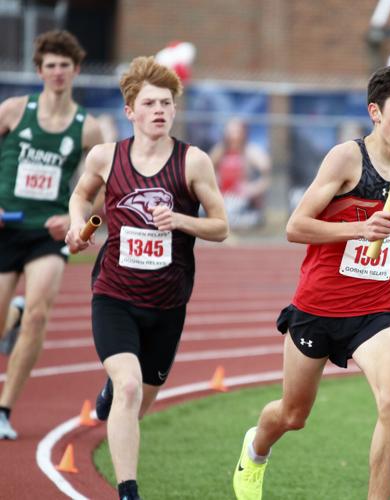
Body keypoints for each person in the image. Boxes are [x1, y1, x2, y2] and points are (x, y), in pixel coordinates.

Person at [233, 63, 390, 500]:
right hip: (318, 307)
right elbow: (295, 227)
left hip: (373, 311)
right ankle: (255, 449)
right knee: (294, 414)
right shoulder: (347, 158)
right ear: (375, 111)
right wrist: (360, 229)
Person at [65, 56, 228, 500]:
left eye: (167, 103)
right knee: (131, 386)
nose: (160, 110)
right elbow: (80, 197)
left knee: (137, 400)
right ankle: (129, 491)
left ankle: (112, 388)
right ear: (130, 110)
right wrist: (76, 224)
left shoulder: (192, 162)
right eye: (150, 103)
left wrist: (179, 220)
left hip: (168, 303)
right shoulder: (106, 156)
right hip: (114, 295)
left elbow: (220, 226)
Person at [0, 30, 103, 440]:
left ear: (76, 71)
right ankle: (14, 313)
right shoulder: (11, 111)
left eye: (65, 66)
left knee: (40, 313)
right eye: (51, 66)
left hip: (48, 233)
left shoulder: (88, 128)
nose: (58, 73)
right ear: (39, 70)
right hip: (6, 227)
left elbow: (106, 188)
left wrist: (72, 219)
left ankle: (4, 408)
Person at [209, 118, 271, 229]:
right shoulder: (220, 150)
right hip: (224, 199)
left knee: (243, 216)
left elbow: (268, 174)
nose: (233, 135)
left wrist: (253, 189)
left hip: (243, 202)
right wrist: (215, 184)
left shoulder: (250, 151)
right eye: (230, 131)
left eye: (236, 131)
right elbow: (206, 170)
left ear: (243, 133)